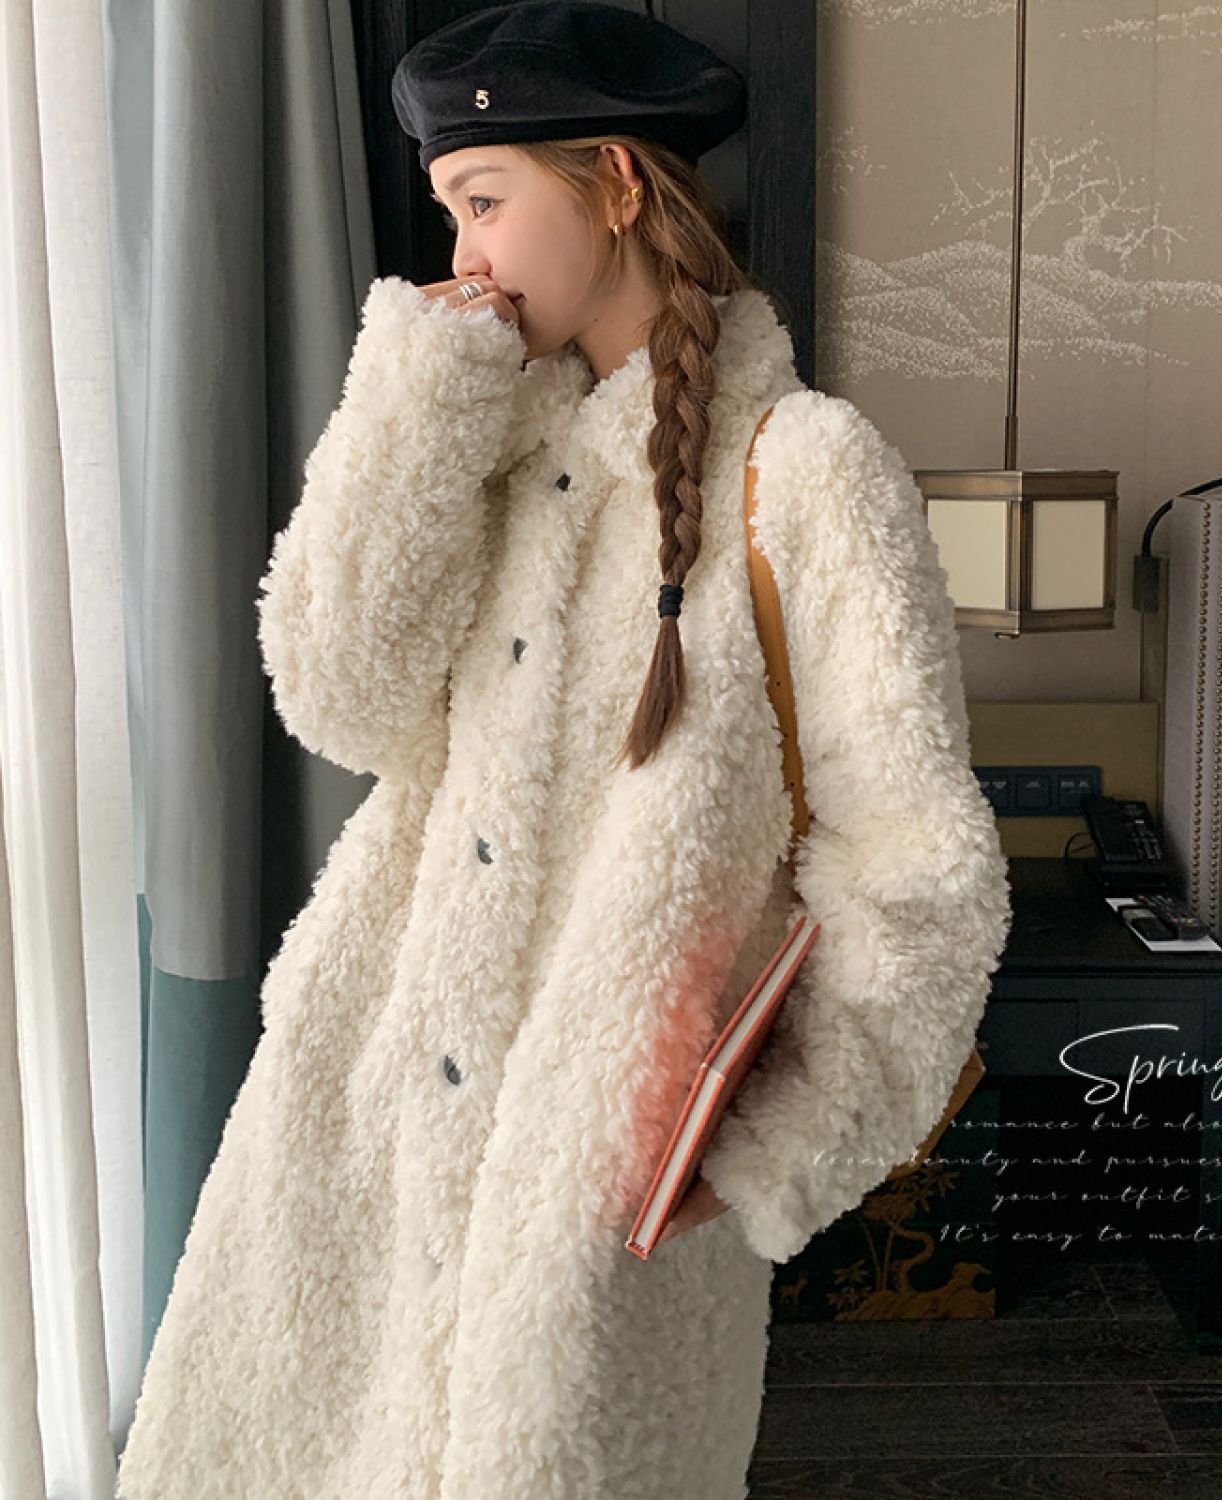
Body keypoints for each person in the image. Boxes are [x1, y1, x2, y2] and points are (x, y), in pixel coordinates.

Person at [114, 4, 1012, 1498]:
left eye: (483, 202)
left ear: (615, 183)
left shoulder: (810, 473)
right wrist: (413, 399)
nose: (461, 256)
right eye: (448, 215)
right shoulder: (480, 440)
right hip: (366, 1133)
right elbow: (335, 694)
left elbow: (920, 872)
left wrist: (765, 1149)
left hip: (595, 1179)